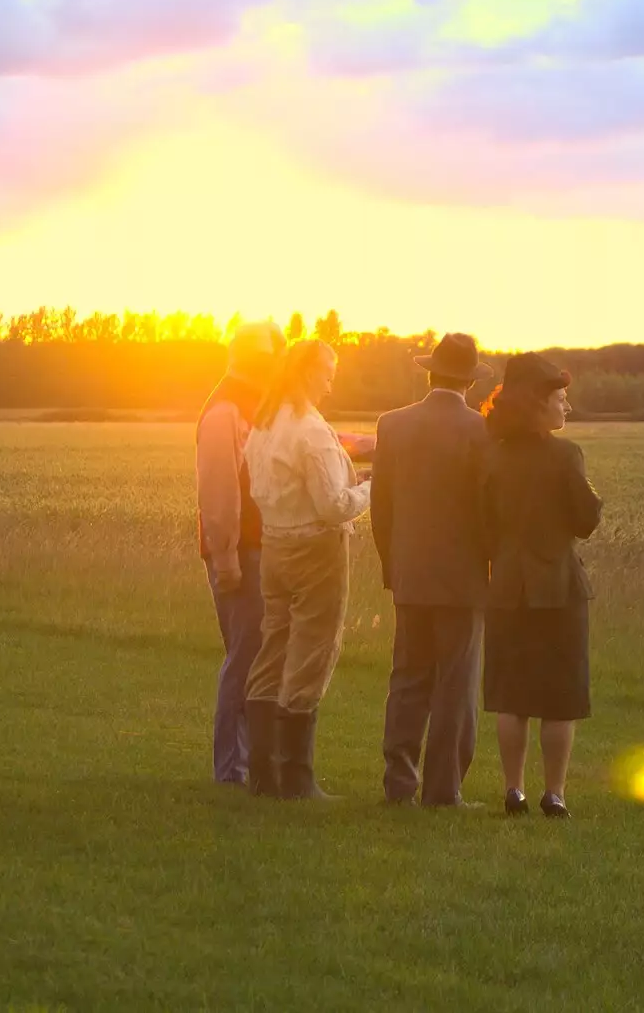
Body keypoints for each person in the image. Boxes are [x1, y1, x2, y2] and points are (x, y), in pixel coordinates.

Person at [242, 340, 372, 799]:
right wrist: (371, 489)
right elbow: (334, 505)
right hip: (317, 548)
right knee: (314, 649)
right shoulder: (311, 429)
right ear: (307, 372)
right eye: (327, 371)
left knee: (273, 645)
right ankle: (296, 777)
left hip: (275, 544)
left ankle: (262, 771)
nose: (332, 380)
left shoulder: (264, 422)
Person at [372, 333, 494, 808]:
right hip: (463, 578)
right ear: (470, 381)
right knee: (455, 686)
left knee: (407, 679)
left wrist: (392, 565)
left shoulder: (393, 424)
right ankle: (444, 790)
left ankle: (399, 784)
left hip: (409, 572)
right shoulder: (481, 430)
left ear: (430, 373)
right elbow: (488, 509)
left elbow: (381, 506)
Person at [480, 353, 603, 819]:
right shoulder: (565, 455)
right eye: (561, 398)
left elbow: (482, 523)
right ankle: (554, 793)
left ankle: (514, 790)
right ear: (539, 403)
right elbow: (585, 520)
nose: (566, 407)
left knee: (512, 696)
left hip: (507, 586)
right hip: (559, 588)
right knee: (560, 696)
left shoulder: (491, 454)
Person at [195, 321, 285, 786]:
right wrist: (226, 556)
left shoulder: (258, 407)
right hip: (240, 553)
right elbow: (219, 492)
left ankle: (249, 761)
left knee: (257, 656)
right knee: (245, 656)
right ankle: (231, 767)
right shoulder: (224, 412)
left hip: (261, 550)